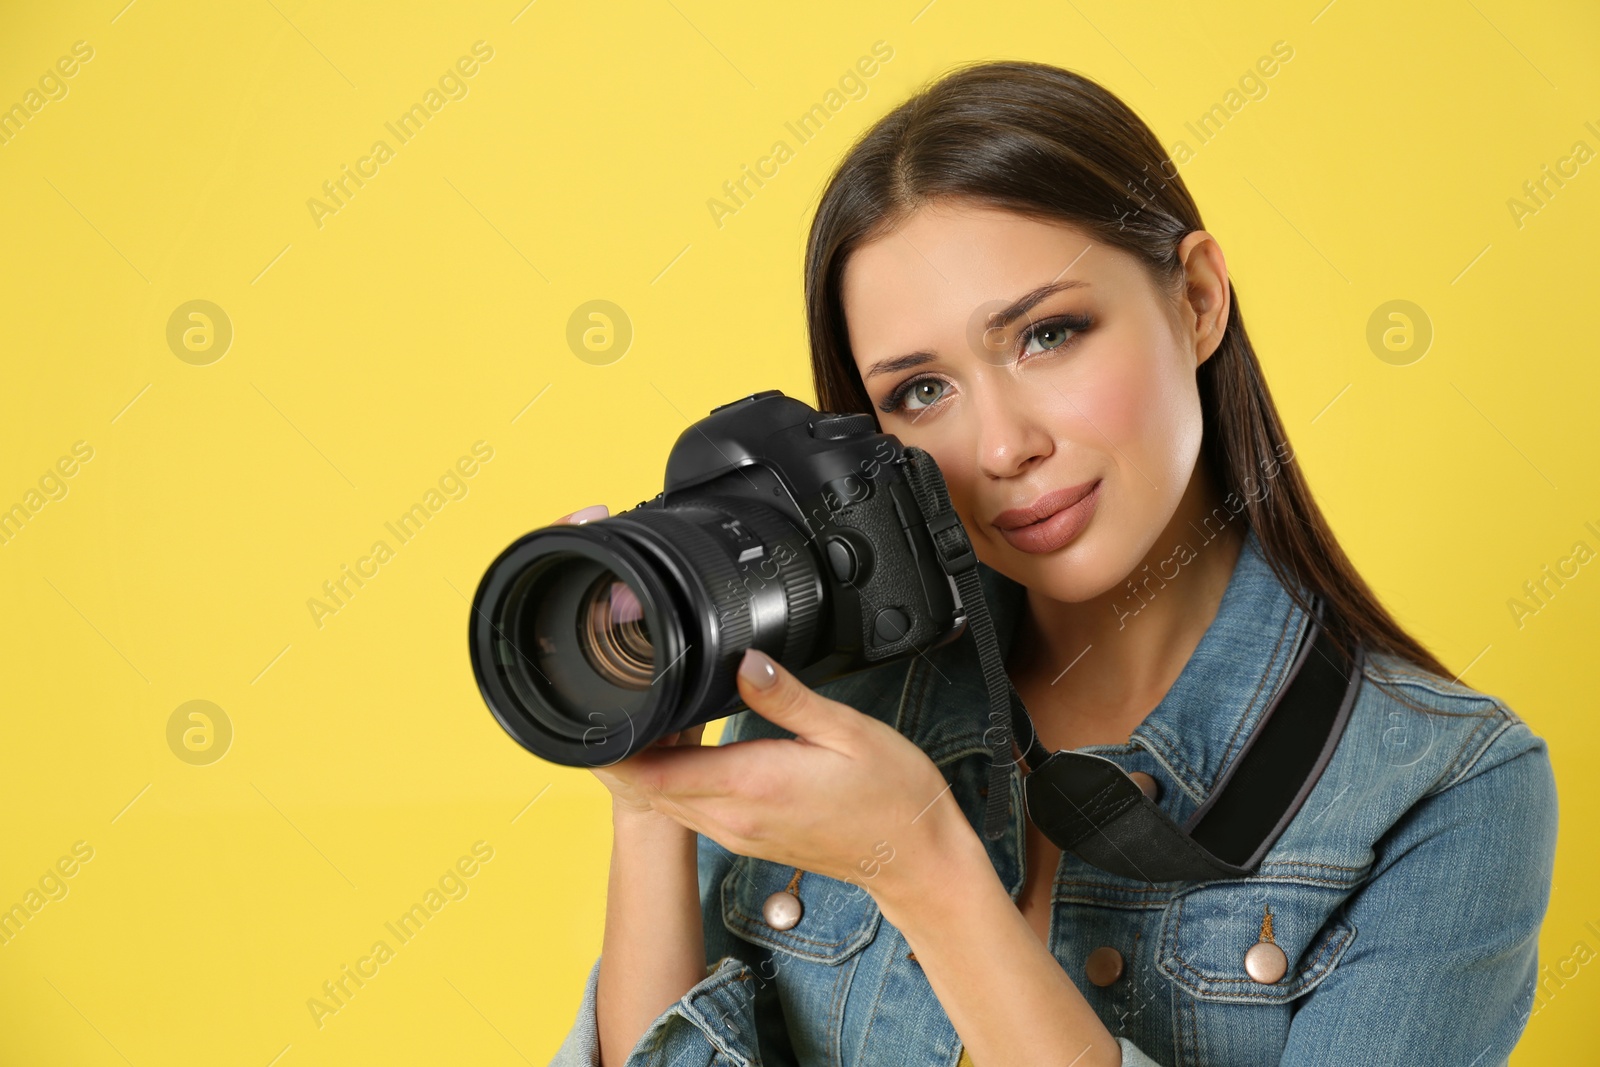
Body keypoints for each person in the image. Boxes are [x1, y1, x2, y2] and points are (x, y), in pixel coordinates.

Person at [544, 61, 1558, 1066]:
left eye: (1047, 334)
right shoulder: (833, 694)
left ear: (1197, 298)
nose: (1000, 446)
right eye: (921, 391)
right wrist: (651, 802)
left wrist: (927, 868)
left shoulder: (1441, 792)